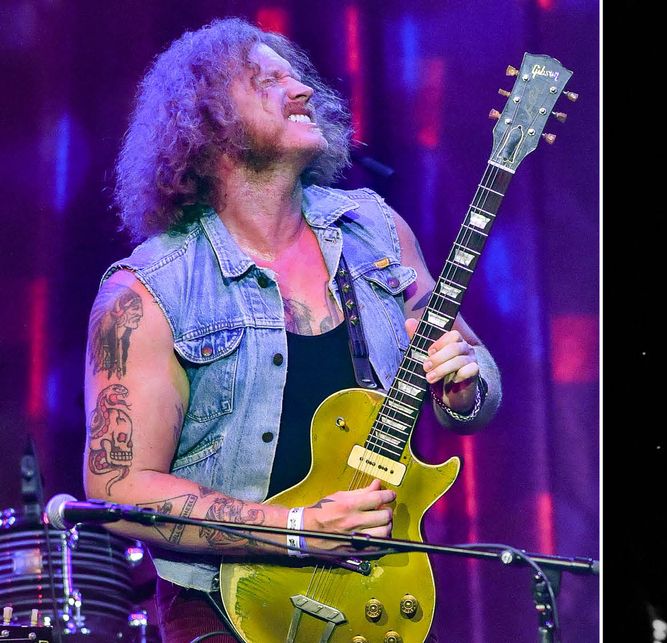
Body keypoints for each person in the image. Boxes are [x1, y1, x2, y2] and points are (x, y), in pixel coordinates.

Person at [82, 18, 501, 643]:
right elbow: (118, 486)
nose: (301, 90)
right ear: (208, 119)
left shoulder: (375, 230)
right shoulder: (149, 290)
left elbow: (476, 376)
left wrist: (463, 386)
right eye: (267, 80)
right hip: (228, 609)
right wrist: (298, 527)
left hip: (382, 594)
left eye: (297, 76)